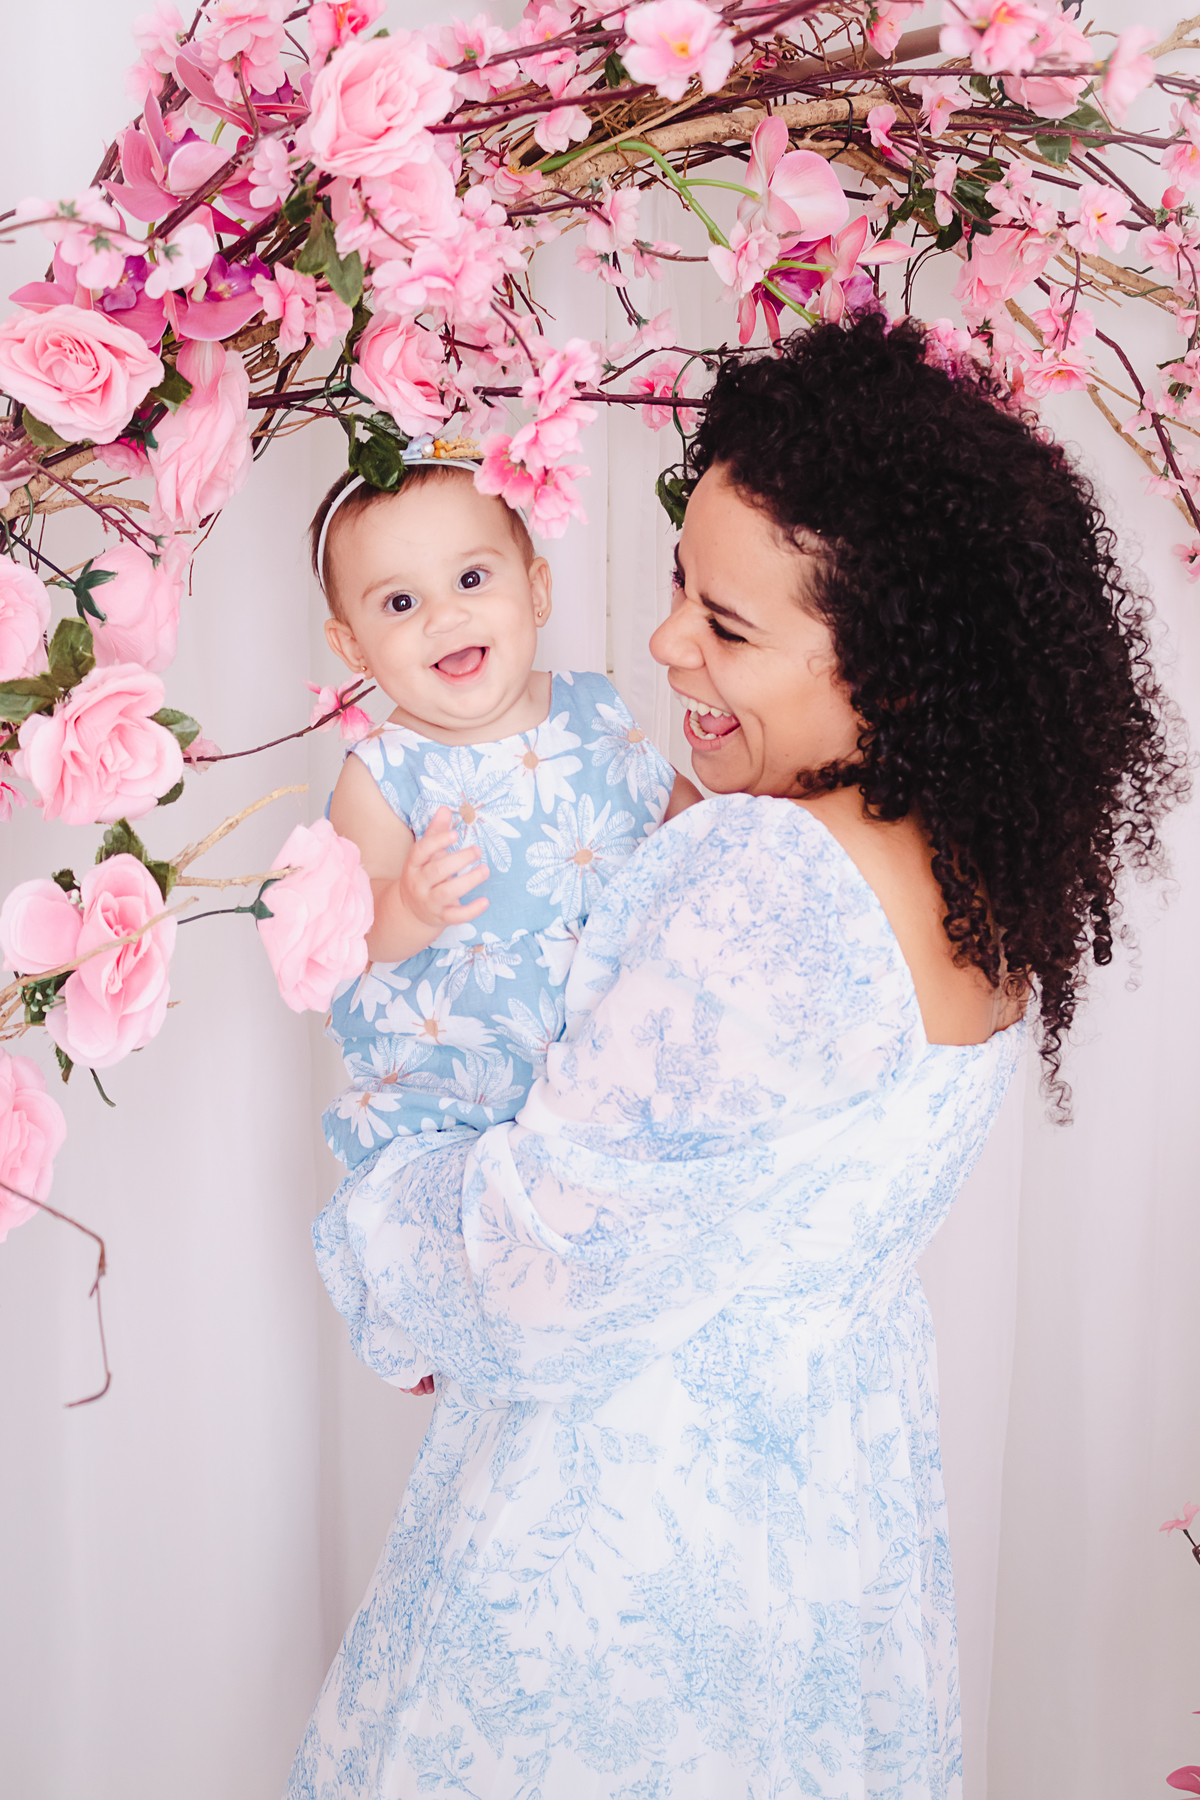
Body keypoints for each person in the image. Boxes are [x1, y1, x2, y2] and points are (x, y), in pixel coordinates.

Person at [288, 315, 1186, 1799]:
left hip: (625, 1544)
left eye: (728, 624)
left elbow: (528, 1258)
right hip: (827, 1527)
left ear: (893, 665)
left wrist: (392, 1223)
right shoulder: (971, 856)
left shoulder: (766, 882)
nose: (662, 645)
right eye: (679, 590)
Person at [313, 441, 701, 1382]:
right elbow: (347, 935)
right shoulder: (381, 773)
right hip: (457, 1093)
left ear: (536, 591)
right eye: (400, 603)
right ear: (354, 647)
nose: (444, 615)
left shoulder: (596, 709)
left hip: (592, 1074)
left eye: (471, 578)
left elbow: (681, 817)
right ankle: (438, 1329)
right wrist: (405, 903)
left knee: (613, 1268)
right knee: (465, 1259)